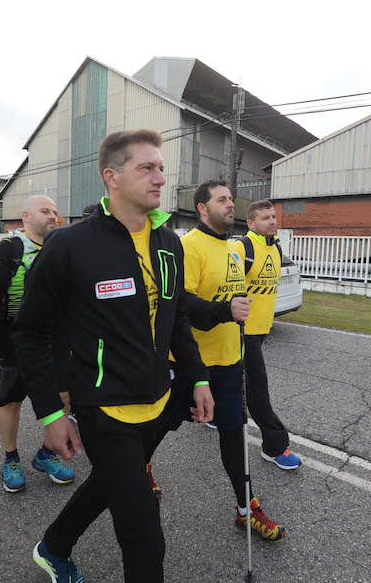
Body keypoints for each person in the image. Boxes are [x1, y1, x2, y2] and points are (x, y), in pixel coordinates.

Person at [11, 129, 213, 583]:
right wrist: (49, 415)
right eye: (147, 168)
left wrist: (198, 378)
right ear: (112, 176)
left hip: (159, 402)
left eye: (161, 167)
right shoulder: (71, 245)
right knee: (144, 533)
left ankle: (53, 547)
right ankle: (59, 548)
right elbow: (29, 331)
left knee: (111, 483)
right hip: (104, 409)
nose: (160, 177)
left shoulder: (169, 242)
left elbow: (176, 316)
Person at [151, 180, 288, 542]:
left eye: (232, 199)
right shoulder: (188, 247)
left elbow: (233, 293)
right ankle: (142, 466)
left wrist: (238, 312)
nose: (231, 205)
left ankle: (247, 508)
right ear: (202, 208)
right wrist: (225, 310)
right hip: (188, 362)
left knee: (233, 433)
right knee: (158, 426)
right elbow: (182, 305)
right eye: (223, 200)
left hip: (229, 360)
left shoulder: (232, 247)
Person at [0, 195, 74, 493]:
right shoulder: (4, 252)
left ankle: (46, 455)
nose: (53, 217)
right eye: (45, 211)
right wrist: (4, 347)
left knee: (63, 399)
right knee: (11, 401)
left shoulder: (60, 250)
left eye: (55, 212)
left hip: (55, 343)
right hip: (15, 343)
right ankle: (11, 459)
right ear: (26, 217)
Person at [231, 199, 301, 470]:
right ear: (251, 223)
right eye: (264, 218)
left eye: (273, 216)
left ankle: (213, 411)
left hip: (261, 330)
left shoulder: (275, 248)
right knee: (258, 388)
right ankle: (275, 446)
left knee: (232, 378)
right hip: (241, 332)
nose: (272, 221)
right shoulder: (242, 248)